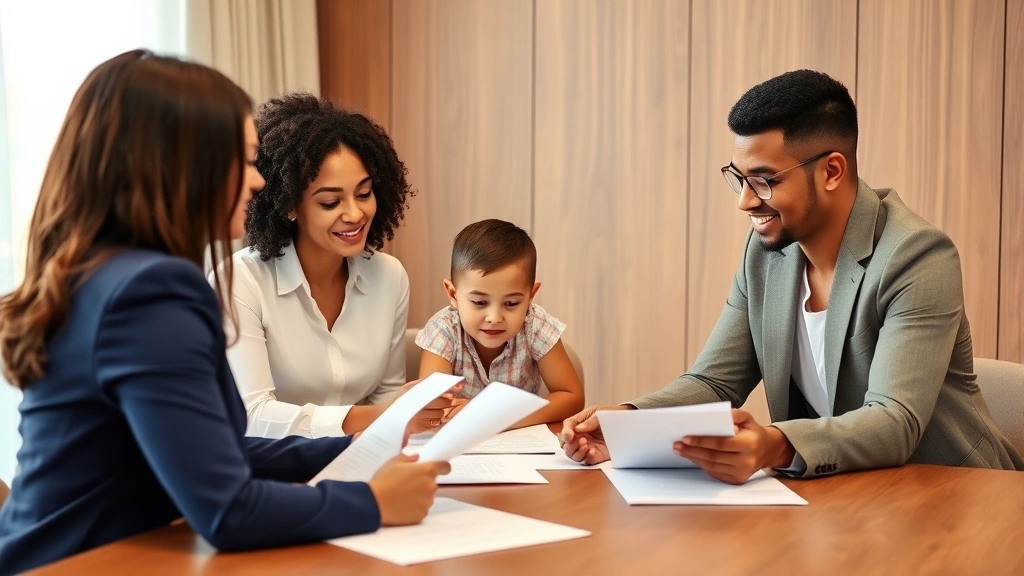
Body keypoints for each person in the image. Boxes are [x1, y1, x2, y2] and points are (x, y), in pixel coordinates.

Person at [0, 50, 448, 575]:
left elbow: (217, 453)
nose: (258, 181)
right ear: (179, 167)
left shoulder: (103, 274)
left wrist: (355, 448)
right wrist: (374, 504)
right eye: (243, 160)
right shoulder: (152, 292)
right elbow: (228, 509)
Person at [561, 70, 1024, 484]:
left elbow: (893, 420)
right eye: (737, 179)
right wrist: (626, 422)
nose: (744, 201)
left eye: (764, 181)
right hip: (848, 497)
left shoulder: (917, 256)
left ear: (832, 171)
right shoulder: (767, 254)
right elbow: (716, 383)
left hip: (958, 496)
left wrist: (774, 444)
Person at [225, 93, 451, 438]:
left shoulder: (389, 277)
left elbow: (386, 394)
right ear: (289, 206)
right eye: (331, 202)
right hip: (276, 471)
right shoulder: (241, 280)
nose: (355, 214)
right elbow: (254, 416)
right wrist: (381, 416)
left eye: (363, 194)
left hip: (362, 457)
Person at [416, 219, 585, 428]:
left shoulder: (535, 326)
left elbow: (572, 398)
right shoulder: (443, 330)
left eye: (511, 303)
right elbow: (429, 408)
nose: (494, 318)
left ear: (531, 296)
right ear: (453, 294)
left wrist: (497, 416)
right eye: (479, 302)